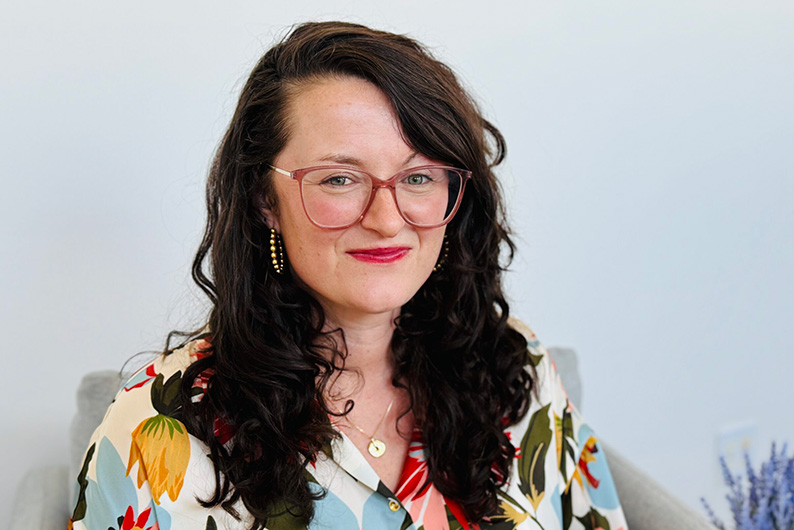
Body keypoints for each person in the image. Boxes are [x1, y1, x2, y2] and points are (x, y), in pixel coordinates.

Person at [69, 21, 628, 530]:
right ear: (265, 199)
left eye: (418, 178)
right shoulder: (158, 430)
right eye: (340, 179)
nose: (387, 221)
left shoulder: (516, 370)